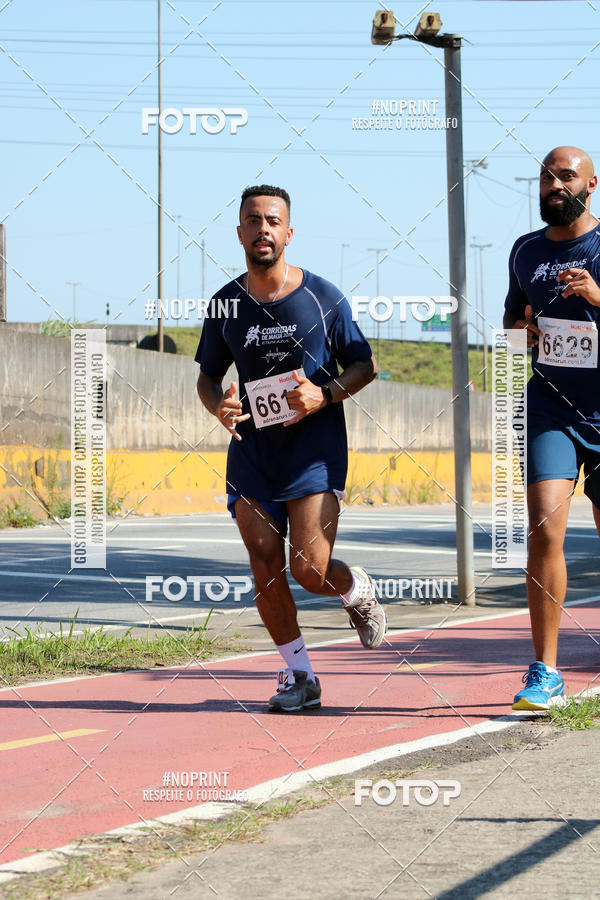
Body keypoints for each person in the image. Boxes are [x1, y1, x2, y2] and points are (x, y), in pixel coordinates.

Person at [195, 184, 386, 712]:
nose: (263, 229)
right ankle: (299, 676)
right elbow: (209, 378)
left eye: (273, 221)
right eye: (253, 221)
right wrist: (219, 406)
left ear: (289, 232)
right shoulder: (226, 303)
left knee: (308, 568)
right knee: (263, 564)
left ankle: (355, 591)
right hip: (253, 452)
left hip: (313, 451)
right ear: (239, 232)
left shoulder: (323, 298)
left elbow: (365, 365)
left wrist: (323, 395)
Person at [503, 146, 600, 710]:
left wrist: (594, 295)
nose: (554, 185)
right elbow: (512, 328)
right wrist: (526, 334)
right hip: (551, 409)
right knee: (544, 529)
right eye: (546, 176)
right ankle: (545, 671)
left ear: (591, 183)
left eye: (566, 176)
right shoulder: (525, 250)